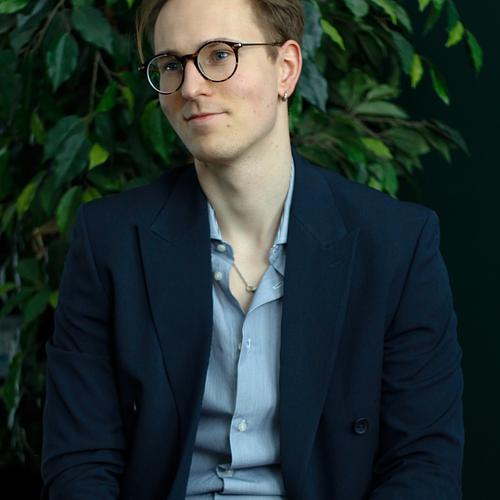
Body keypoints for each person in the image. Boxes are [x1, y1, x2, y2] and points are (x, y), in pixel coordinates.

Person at [41, 0, 464, 498]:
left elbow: (423, 464)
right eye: (172, 64)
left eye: (219, 55)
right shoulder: (109, 241)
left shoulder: (397, 245)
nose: (191, 87)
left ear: (286, 68)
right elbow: (80, 463)